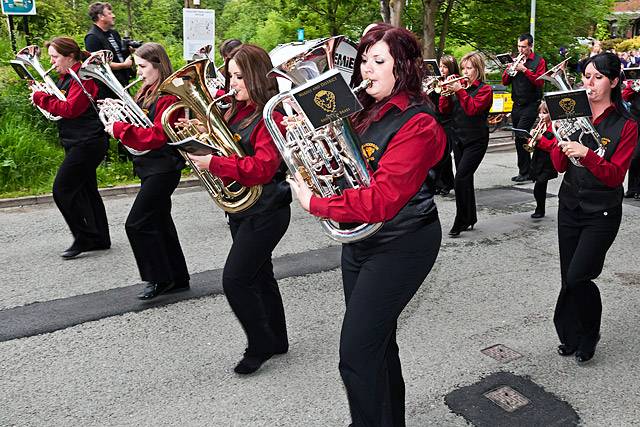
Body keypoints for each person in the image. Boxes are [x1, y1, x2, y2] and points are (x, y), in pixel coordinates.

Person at [288, 25, 446, 426]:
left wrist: (315, 202)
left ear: (405, 68)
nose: (366, 70)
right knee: (377, 343)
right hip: (360, 240)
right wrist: (303, 139)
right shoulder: (360, 109)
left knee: (356, 354)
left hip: (402, 242)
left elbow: (383, 198)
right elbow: (341, 169)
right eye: (363, 60)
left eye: (379, 61)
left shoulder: (419, 123)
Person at [187, 44, 292, 375]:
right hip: (243, 208)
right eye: (230, 75)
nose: (232, 83)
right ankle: (277, 338)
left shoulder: (271, 115)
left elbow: (262, 167)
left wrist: (213, 163)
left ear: (256, 77)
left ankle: (259, 344)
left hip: (268, 209)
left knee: (235, 279)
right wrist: (203, 136)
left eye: (239, 76)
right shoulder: (236, 110)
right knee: (260, 274)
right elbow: (232, 146)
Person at [550, 52, 638, 364]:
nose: (590, 83)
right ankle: (570, 334)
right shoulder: (571, 112)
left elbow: (615, 177)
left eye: (598, 77)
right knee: (567, 277)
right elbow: (559, 165)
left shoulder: (626, 126)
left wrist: (587, 154)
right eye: (586, 76)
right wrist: (554, 134)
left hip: (601, 212)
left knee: (579, 277)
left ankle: (590, 333)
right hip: (570, 205)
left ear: (614, 81)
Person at [104, 43, 190, 300]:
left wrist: (120, 129)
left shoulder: (168, 96)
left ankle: (158, 278)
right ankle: (177, 277)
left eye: (142, 66)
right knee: (160, 221)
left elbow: (156, 136)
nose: (138, 72)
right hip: (149, 166)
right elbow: (138, 119)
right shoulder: (146, 90)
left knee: (137, 223)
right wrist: (117, 108)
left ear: (158, 65)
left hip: (163, 167)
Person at [30, 37, 111, 260]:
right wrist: (44, 94)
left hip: (88, 142)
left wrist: (41, 98)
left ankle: (82, 236)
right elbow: (62, 106)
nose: (52, 62)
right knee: (86, 189)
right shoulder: (67, 77)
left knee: (62, 190)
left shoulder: (83, 78)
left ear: (70, 57)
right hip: (78, 140)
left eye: (55, 57)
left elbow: (71, 109)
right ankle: (100, 238)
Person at [439, 51, 493, 237]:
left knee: (460, 179)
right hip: (458, 138)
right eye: (463, 68)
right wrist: (445, 93)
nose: (465, 71)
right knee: (466, 179)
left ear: (478, 69)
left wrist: (459, 90)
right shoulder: (459, 87)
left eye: (469, 68)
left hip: (476, 140)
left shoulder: (485, 90)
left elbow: (472, 109)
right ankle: (470, 217)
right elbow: (444, 110)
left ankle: (461, 219)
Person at [502, 33, 547, 182]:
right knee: (518, 138)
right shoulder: (516, 60)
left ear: (530, 46)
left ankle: (530, 170)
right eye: (519, 46)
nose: (521, 50)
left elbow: (540, 82)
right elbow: (504, 82)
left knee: (522, 134)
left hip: (531, 104)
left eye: (524, 47)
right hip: (517, 104)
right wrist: (510, 68)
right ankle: (524, 171)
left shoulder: (539, 61)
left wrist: (525, 70)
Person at [85, 2, 134, 91]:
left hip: (122, 80)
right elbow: (99, 64)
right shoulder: (92, 37)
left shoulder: (113, 33)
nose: (113, 16)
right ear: (101, 17)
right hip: (108, 85)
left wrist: (130, 50)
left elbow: (119, 54)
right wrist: (124, 65)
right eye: (109, 13)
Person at [433, 54, 459, 196]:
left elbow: (448, 106)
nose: (442, 70)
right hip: (436, 120)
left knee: (444, 153)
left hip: (449, 121)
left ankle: (447, 183)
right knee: (437, 153)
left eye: (445, 67)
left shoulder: (454, 80)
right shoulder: (438, 80)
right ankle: (440, 183)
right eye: (441, 66)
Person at [528, 102, 558, 218]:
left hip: (548, 160)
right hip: (538, 158)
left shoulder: (554, 127)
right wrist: (531, 137)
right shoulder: (540, 125)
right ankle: (540, 208)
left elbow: (552, 146)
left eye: (544, 113)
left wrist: (540, 138)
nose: (541, 116)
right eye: (540, 113)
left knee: (540, 184)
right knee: (539, 184)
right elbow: (532, 143)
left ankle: (540, 209)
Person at [621, 79, 640, 199]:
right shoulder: (635, 82)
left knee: (638, 156)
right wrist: (633, 86)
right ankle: (632, 188)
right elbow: (625, 97)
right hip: (636, 122)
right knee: (633, 157)